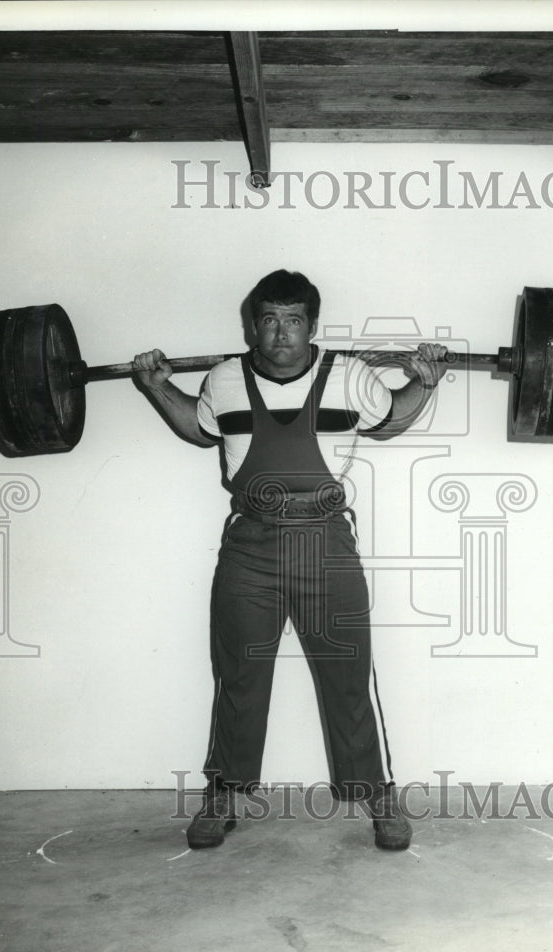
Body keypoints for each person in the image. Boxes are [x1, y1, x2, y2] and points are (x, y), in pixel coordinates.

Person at [133, 270, 444, 851]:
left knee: (348, 678)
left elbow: (391, 421)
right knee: (240, 678)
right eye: (269, 320)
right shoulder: (224, 379)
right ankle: (223, 795)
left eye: (293, 320)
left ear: (313, 326)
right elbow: (200, 432)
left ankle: (376, 796)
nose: (280, 334)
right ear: (253, 324)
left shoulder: (350, 377)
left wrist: (424, 384)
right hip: (250, 546)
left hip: (324, 543)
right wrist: (155, 387)